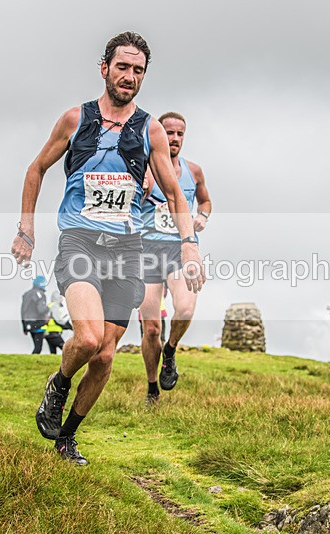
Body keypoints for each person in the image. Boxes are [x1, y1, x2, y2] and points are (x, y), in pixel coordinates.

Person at [11, 31, 205, 466]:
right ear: (104, 68)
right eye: (122, 67)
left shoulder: (150, 129)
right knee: (88, 336)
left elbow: (174, 194)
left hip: (127, 249)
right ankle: (58, 384)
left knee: (104, 356)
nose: (129, 77)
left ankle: (67, 437)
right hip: (80, 240)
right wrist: (26, 228)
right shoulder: (74, 120)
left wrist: (189, 245)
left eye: (138, 71)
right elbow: (36, 169)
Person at [138, 111, 212, 403]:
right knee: (151, 326)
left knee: (185, 310)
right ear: (158, 134)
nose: (175, 139)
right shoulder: (144, 167)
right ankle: (152, 386)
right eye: (169, 133)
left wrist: (203, 216)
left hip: (180, 248)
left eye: (180, 134)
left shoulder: (194, 171)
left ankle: (170, 350)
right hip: (147, 251)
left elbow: (205, 200)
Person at [21, 276, 50, 354]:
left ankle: (33, 360)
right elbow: (41, 310)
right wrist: (49, 307)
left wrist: (24, 327)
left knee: (36, 345)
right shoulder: (40, 294)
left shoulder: (26, 294)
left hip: (28, 323)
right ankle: (32, 363)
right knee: (38, 347)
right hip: (38, 322)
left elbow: (22, 311)